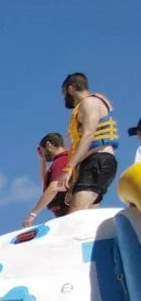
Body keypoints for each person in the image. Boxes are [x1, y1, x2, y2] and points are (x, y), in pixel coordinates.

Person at [59, 73, 119, 211]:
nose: (65, 98)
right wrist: (74, 183)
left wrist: (68, 169)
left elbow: (88, 136)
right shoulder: (88, 104)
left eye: (64, 94)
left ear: (71, 89)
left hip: (99, 160)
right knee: (87, 215)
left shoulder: (89, 103)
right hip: (93, 163)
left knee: (75, 214)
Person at [24, 132, 72, 227]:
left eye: (43, 151)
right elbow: (46, 180)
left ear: (48, 145)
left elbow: (53, 187)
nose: (44, 155)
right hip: (64, 214)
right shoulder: (60, 161)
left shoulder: (61, 160)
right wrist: (42, 158)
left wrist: (32, 215)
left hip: (68, 213)